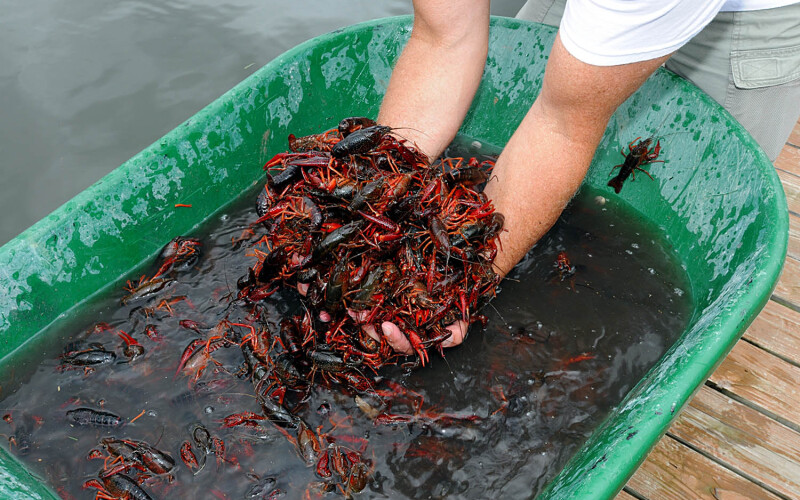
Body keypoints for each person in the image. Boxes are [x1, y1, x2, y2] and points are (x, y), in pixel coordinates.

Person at [369, 0, 800, 354]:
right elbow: (444, 38)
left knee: (669, 283)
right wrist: (366, 222)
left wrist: (458, 285)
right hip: (610, 12)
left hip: (738, 26)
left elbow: (563, 124)